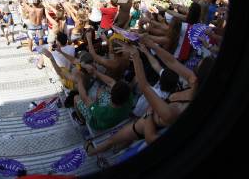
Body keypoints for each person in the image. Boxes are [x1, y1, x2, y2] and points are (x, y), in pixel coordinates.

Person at [84, 40, 215, 159]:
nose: (192, 68)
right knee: (120, 141)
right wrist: (151, 44)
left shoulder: (178, 109)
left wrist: (136, 57)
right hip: (142, 120)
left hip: (142, 128)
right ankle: (118, 148)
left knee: (114, 142)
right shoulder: (189, 84)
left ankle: (91, 152)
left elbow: (145, 87)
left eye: (197, 66)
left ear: (198, 77)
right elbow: (171, 62)